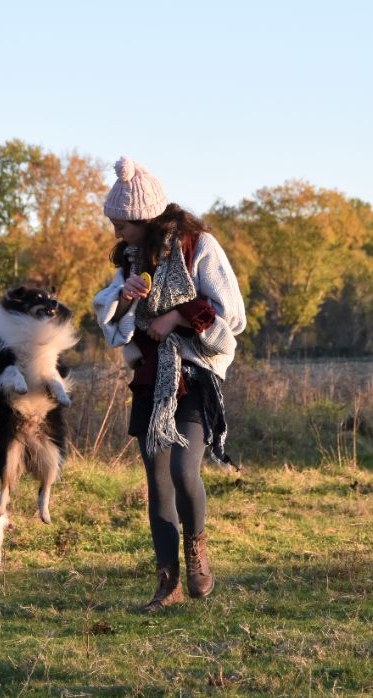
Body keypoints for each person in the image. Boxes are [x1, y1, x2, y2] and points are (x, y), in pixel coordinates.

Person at [92, 156, 246, 612]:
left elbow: (230, 314)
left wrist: (177, 316)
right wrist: (124, 298)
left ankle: (196, 553)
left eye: (122, 224)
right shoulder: (130, 259)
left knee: (184, 471)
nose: (117, 233)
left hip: (195, 373)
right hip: (150, 379)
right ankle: (167, 583)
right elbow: (113, 323)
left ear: (144, 218)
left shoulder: (199, 246)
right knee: (158, 484)